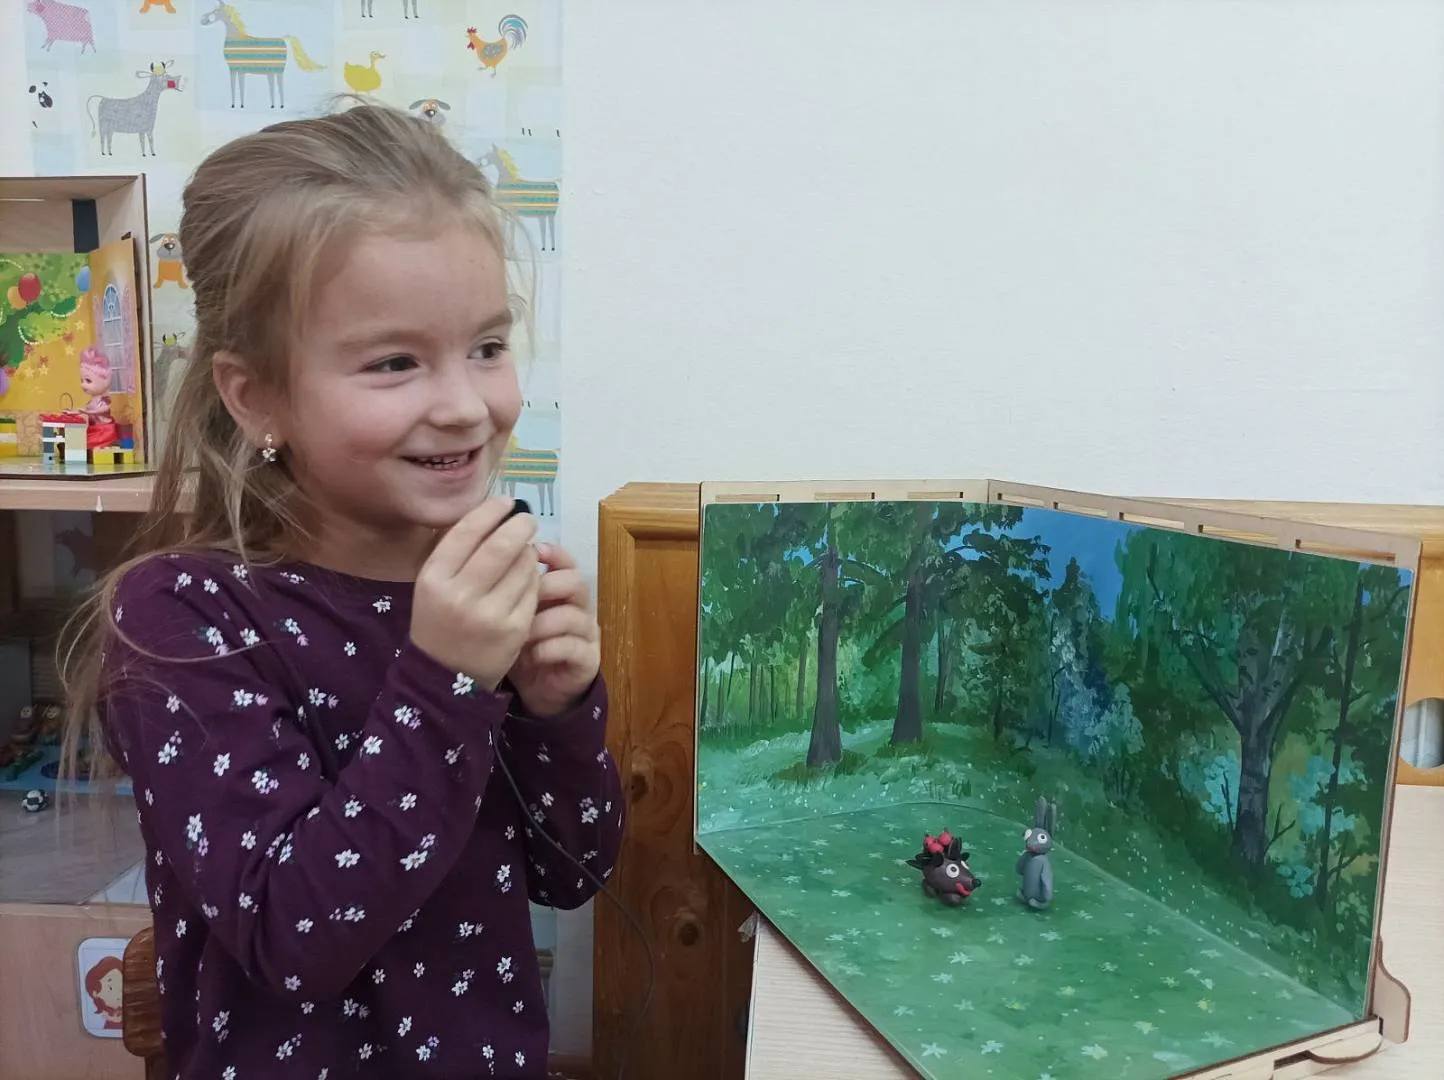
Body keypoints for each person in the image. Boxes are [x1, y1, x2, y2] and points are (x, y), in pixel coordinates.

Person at [59, 102, 623, 1079]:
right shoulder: (182, 616)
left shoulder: (479, 580)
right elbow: (296, 939)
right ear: (256, 396)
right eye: (395, 362)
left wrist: (557, 712)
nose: (466, 405)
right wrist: (447, 682)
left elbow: (576, 871)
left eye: (488, 347)